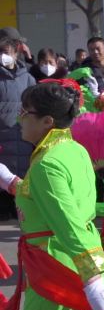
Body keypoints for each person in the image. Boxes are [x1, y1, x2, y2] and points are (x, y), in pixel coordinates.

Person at [0, 81, 104, 310]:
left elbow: (68, 222)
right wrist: (9, 181)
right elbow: (63, 205)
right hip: (77, 260)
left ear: (47, 121)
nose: (19, 119)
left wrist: (91, 280)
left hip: (56, 268)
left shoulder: (46, 163)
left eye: (25, 113)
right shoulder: (73, 149)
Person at [0, 37, 35, 220]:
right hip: (2, 138)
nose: (3, 56)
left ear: (16, 53)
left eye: (6, 52)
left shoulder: (27, 78)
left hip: (23, 136)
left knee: (22, 177)